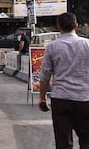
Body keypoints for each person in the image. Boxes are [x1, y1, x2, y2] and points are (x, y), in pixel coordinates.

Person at [39, 12, 89, 148]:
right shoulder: (87, 45)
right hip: (84, 99)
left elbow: (44, 76)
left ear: (58, 26)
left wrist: (42, 98)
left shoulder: (52, 46)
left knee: (63, 142)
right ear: (77, 26)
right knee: (86, 139)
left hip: (61, 99)